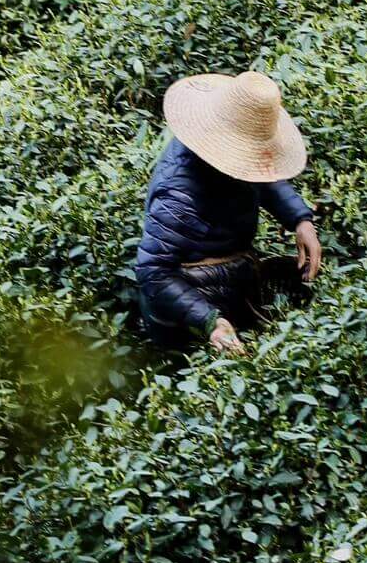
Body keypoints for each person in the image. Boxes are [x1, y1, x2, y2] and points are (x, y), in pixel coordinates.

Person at [134, 71, 324, 357]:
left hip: (229, 282)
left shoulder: (230, 156)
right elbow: (155, 273)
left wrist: (300, 219)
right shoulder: (179, 193)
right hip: (187, 314)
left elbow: (263, 173)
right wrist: (209, 320)